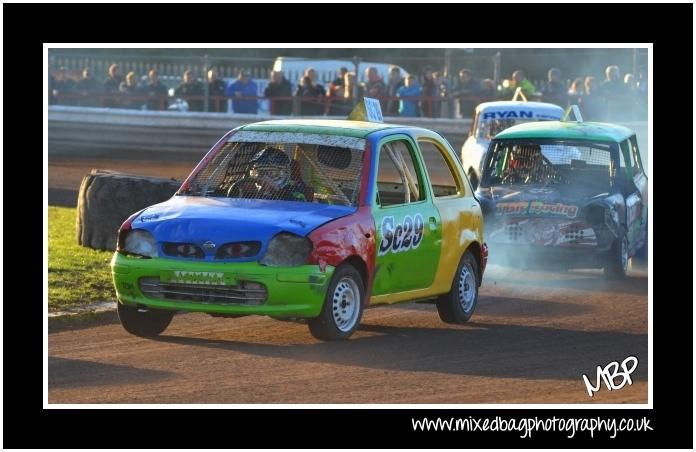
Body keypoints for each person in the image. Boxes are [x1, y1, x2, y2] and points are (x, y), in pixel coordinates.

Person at [229, 147, 312, 201]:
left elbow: (297, 209)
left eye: (271, 173)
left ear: (284, 173)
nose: (265, 177)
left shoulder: (295, 192)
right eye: (261, 172)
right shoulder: (248, 192)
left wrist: (277, 190)